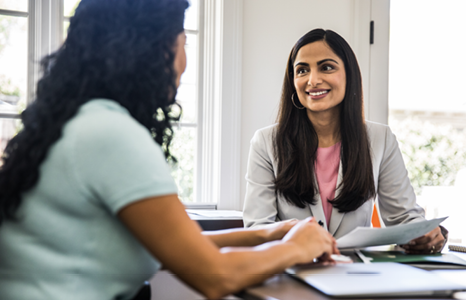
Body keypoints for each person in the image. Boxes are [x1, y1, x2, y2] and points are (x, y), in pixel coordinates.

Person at [0, 2, 339, 300]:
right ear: (150, 50)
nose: (185, 61)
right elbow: (214, 274)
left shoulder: (82, 121)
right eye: (183, 43)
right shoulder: (110, 134)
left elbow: (179, 245)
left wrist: (272, 232)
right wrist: (296, 247)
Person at [242, 28, 447, 255]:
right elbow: (257, 229)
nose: (313, 80)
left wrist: (423, 234)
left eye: (327, 67)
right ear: (293, 81)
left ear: (349, 75)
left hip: (357, 276)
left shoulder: (381, 139)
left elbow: (404, 217)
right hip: (291, 272)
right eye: (302, 70)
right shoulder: (266, 143)